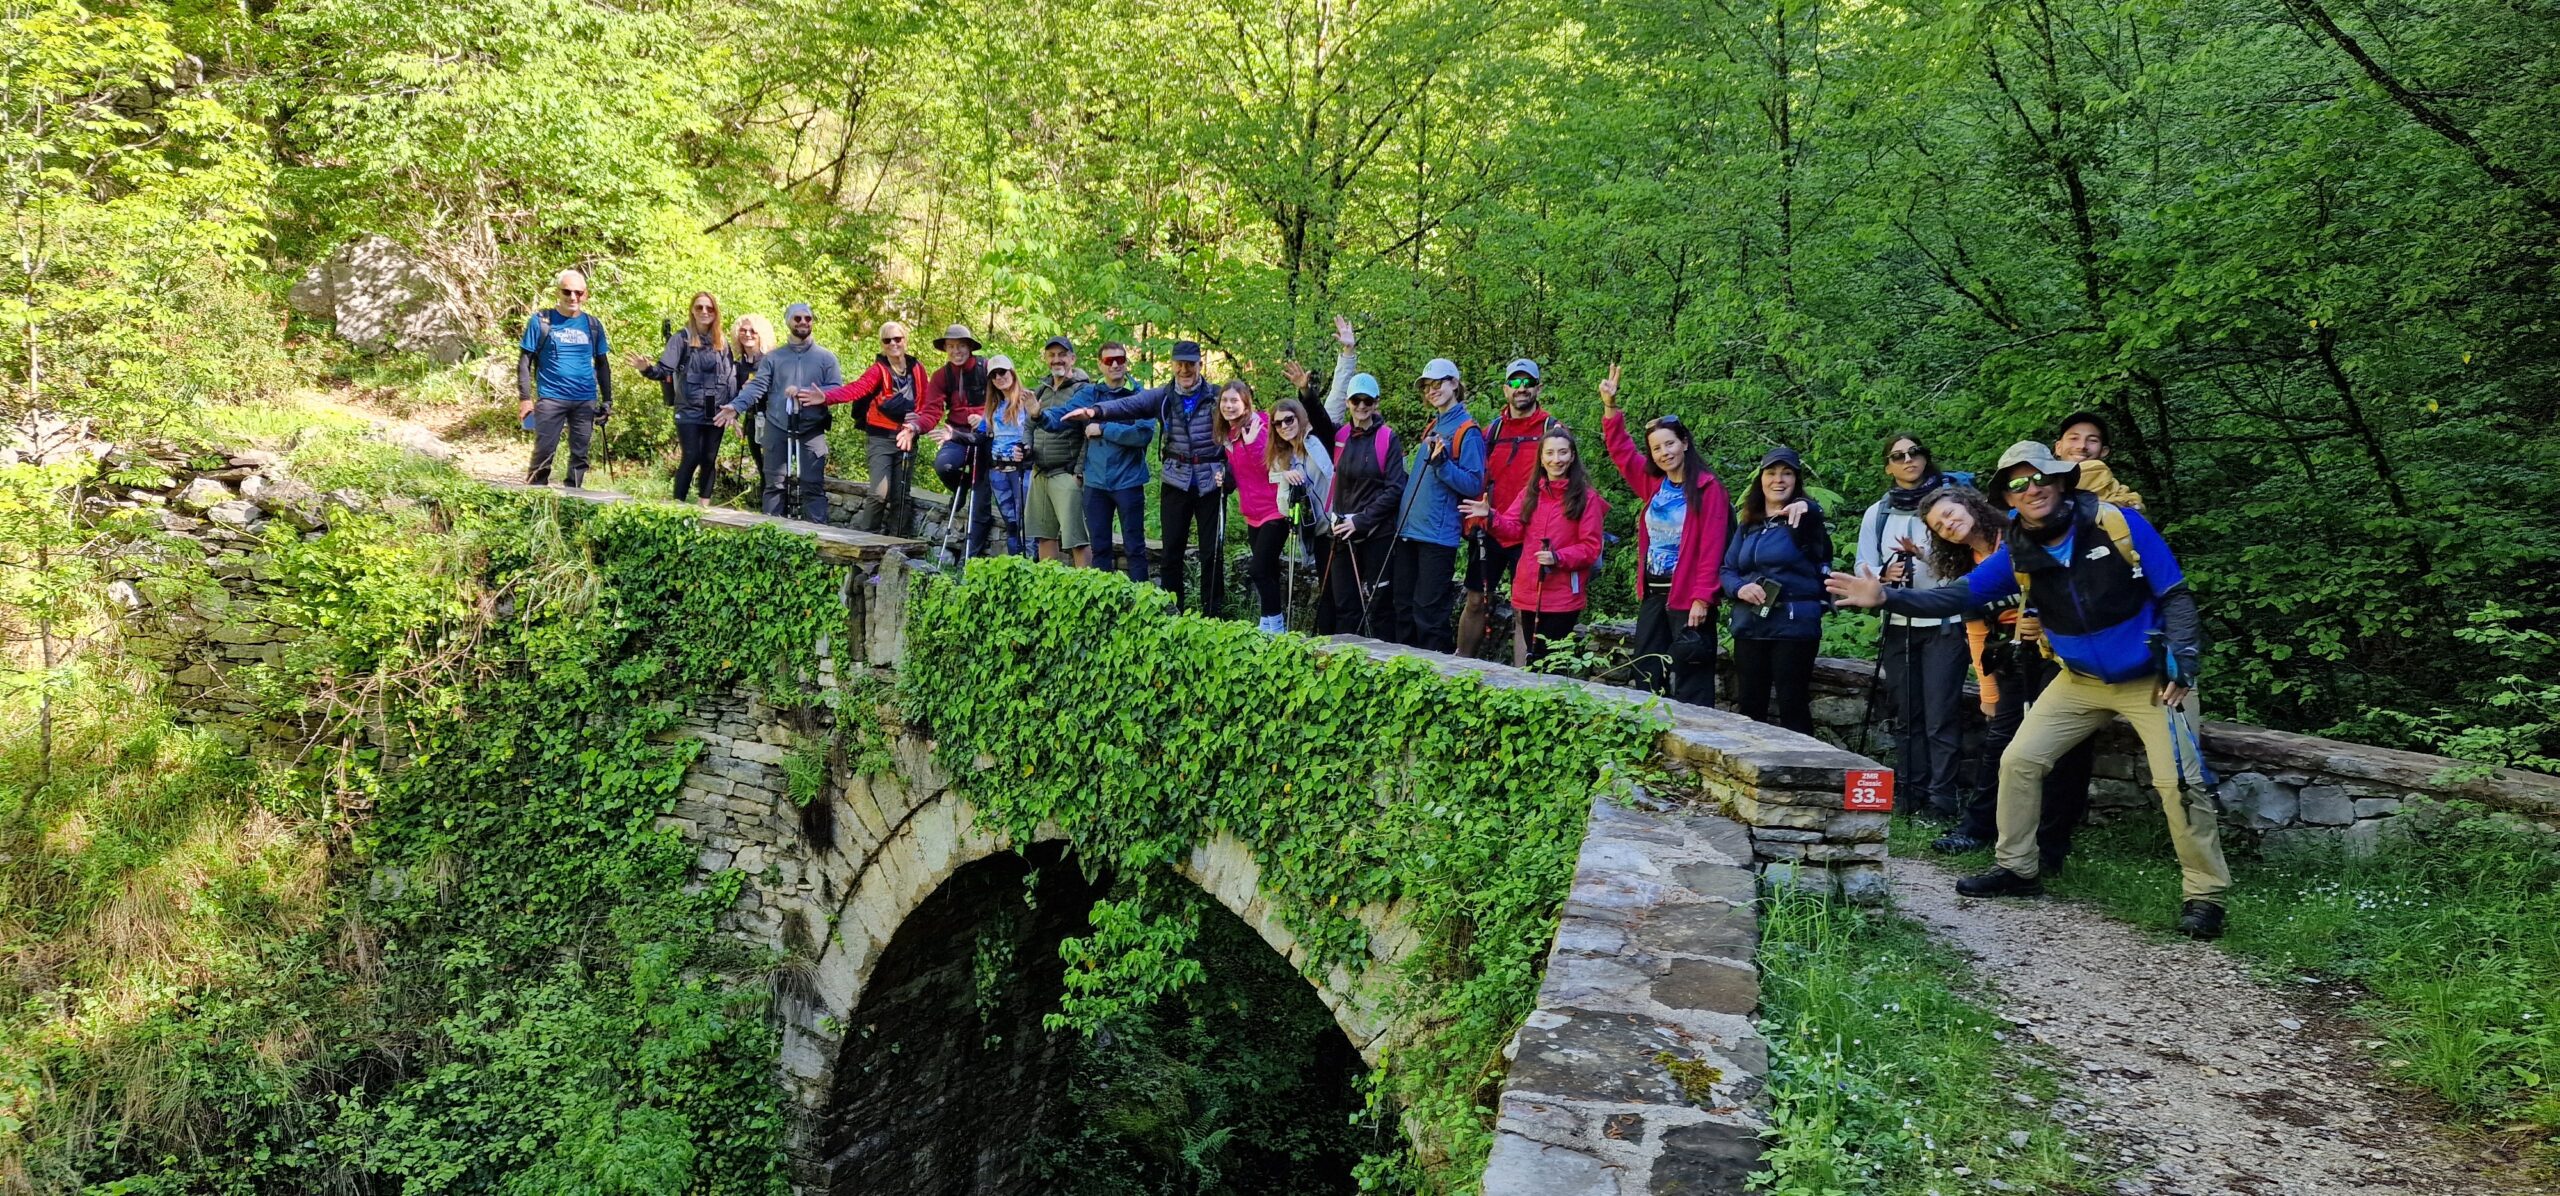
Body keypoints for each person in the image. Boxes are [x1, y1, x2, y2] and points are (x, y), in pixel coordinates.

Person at [1827, 442, 2230, 939]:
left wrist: (2183, 663)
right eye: (2017, 484)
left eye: (2039, 477)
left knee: (2179, 783)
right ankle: (2018, 868)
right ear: (2007, 499)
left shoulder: (2115, 524)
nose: (2031, 488)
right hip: (2078, 679)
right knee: (2019, 760)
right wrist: (1887, 594)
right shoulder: (2019, 548)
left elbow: (2174, 594)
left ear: (2061, 481)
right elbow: (1962, 594)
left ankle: (2204, 895)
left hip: (2153, 678)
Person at [1916, 484, 2100, 867]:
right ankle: (1978, 827)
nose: (1948, 525)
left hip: (2061, 654)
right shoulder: (1967, 566)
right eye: (1939, 526)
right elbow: (1976, 630)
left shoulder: (2021, 536)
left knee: (2067, 750)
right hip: (2012, 658)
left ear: (1970, 505)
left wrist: (2045, 624)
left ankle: (2051, 842)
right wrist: (1987, 691)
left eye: (1950, 514)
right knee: (2000, 741)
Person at [1855, 434, 1970, 819]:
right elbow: (1863, 566)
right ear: (1888, 466)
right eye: (1898, 456)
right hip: (1899, 622)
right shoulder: (1879, 512)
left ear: (1925, 457)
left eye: (1914, 453)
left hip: (1944, 624)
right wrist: (1884, 574)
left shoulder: (1950, 504)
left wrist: (1922, 555)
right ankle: (1909, 791)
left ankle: (1942, 800)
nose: (1908, 460)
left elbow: (1968, 566)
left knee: (1940, 715)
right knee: (1907, 714)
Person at [1599, 365, 1728, 705]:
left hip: (1688, 596)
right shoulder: (1654, 485)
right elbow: (1623, 454)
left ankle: (1699, 746)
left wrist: (1703, 597)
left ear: (1684, 442)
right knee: (1646, 673)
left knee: (1692, 679)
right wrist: (1611, 408)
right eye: (1657, 448)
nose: (1664, 452)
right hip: (1654, 593)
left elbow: (1713, 548)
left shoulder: (1708, 488)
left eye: (1669, 444)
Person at [1069, 340, 1227, 615]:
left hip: (1211, 481)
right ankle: (1171, 613)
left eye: (1190, 364)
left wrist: (1232, 475)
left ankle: (1212, 615)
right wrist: (1097, 411)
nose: (1184, 370)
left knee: (1211, 554)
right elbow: (1130, 405)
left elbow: (1242, 421)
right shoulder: (1163, 396)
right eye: (1179, 364)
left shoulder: (1216, 396)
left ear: (1200, 365)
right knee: (1171, 553)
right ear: (1174, 366)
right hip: (1176, 481)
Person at [1462, 429, 1606, 666]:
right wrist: (1490, 516)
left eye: (1562, 452)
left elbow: (1591, 547)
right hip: (1529, 590)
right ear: (1541, 457)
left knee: (1552, 663)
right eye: (1549, 453)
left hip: (1562, 594)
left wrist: (1558, 557)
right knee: (1534, 656)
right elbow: (1514, 529)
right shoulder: (1532, 492)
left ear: (1572, 457)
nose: (1556, 459)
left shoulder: (1586, 498)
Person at [1458, 357, 1563, 657]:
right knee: (1476, 600)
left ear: (1538, 388)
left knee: (1523, 610)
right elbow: (1479, 477)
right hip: (1490, 527)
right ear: (1505, 389)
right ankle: (1460, 665)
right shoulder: (1490, 431)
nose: (1521, 388)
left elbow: (1566, 480)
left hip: (1530, 533)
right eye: (1515, 383)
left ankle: (1523, 680)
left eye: (1528, 383)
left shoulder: (1551, 429)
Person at [1721, 447, 1831, 732]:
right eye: (1771, 473)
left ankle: (1804, 771)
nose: (1778, 480)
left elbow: (1817, 519)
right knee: (1750, 704)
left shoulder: (1804, 519)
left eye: (1787, 473)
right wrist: (1740, 588)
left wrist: (1809, 507)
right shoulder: (1749, 524)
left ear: (1796, 480)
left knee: (1792, 703)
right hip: (1750, 624)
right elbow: (1727, 570)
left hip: (1793, 626)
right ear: (1761, 478)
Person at [1386, 359, 1486, 650]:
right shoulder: (1435, 424)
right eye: (1427, 387)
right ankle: (1406, 675)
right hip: (1409, 531)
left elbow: (1473, 484)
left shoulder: (1468, 431)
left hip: (1437, 537)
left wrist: (1442, 464)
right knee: (1404, 609)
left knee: (1429, 615)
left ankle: (1437, 680)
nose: (1432, 391)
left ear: (1455, 383)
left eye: (1438, 383)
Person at [713, 302, 842, 522]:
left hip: (812, 428)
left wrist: (809, 394)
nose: (803, 322)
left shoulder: (826, 358)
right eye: (797, 318)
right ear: (788, 322)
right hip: (777, 426)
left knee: (813, 486)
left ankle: (818, 538)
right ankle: (772, 536)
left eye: (807, 319)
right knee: (774, 485)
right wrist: (736, 406)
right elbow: (757, 386)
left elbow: (837, 388)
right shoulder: (774, 358)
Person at [1049, 343, 1151, 580]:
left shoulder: (1139, 394)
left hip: (1129, 481)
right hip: (1095, 483)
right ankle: (1103, 602)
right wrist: (1038, 414)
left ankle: (1143, 602)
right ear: (1100, 364)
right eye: (1108, 361)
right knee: (1100, 547)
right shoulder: (1090, 394)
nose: (1115, 364)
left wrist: (1103, 428)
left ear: (1126, 362)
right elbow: (1063, 415)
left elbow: (1142, 434)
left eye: (1119, 359)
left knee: (1135, 547)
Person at [821, 321, 931, 535]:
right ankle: (865, 538)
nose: (893, 344)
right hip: (881, 438)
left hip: (908, 437)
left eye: (897, 339)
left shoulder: (917, 369)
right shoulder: (878, 370)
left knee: (902, 495)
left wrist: (917, 422)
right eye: (887, 340)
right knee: (879, 493)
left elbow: (927, 401)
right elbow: (857, 389)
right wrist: (825, 397)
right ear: (882, 344)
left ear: (905, 340)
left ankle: (897, 542)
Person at [1321, 373, 1404, 637]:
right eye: (1356, 400)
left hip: (1377, 532)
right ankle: (1348, 662)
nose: (1361, 406)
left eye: (1367, 400)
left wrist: (1361, 521)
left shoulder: (1387, 438)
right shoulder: (1340, 435)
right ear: (1348, 402)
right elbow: (1313, 418)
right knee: (1345, 604)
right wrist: (1306, 391)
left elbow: (1395, 488)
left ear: (1376, 403)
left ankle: (1385, 666)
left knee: (1380, 605)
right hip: (1343, 532)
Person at [633, 292, 733, 505]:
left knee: (709, 458)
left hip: (715, 409)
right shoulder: (682, 338)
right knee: (692, 455)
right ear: (692, 311)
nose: (705, 312)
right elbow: (663, 371)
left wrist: (733, 409)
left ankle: (703, 507)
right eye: (699, 307)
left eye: (709, 308)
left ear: (716, 312)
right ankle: (678, 505)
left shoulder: (722, 342)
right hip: (688, 408)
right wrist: (646, 369)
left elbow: (731, 377)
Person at [518, 269, 613, 487]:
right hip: (551, 398)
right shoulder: (541, 321)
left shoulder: (593, 325)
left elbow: (602, 364)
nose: (573, 297)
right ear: (558, 293)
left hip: (585, 399)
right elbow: (525, 362)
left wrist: (607, 400)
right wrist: (525, 398)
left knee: (580, 455)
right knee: (544, 450)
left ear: (585, 295)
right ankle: (534, 497)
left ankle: (574, 498)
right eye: (567, 291)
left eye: (578, 293)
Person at [1217, 382, 1293, 632]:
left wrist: (1250, 444)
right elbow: (1242, 473)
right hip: (1252, 514)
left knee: (1258, 570)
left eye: (1234, 401)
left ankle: (1277, 628)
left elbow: (1267, 464)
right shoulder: (1230, 434)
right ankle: (1266, 624)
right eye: (1225, 401)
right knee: (1268, 571)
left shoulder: (1259, 425)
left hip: (1275, 510)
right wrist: (1225, 478)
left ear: (1246, 403)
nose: (1229, 406)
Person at [1267, 396, 1336, 630]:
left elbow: (1333, 401)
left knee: (1341, 592)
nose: (1285, 426)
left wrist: (1347, 357)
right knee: (1327, 590)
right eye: (1278, 423)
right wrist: (1285, 479)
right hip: (1315, 532)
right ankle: (1330, 644)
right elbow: (1283, 508)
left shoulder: (1317, 441)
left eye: (1289, 419)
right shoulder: (1282, 459)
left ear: (1300, 417)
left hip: (1337, 527)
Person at [926, 324, 994, 557]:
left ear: (970, 347)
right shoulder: (941, 376)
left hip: (986, 434)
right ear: (945, 348)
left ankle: (971, 557)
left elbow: (1007, 398)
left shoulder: (987, 368)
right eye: (952, 346)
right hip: (955, 432)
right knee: (945, 466)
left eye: (961, 346)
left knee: (981, 496)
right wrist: (917, 426)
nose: (957, 351)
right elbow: (932, 409)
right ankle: (961, 486)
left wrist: (986, 418)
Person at [1025, 337, 1092, 565]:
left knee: (1077, 539)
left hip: (1066, 473)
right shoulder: (1041, 390)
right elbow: (1029, 424)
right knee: (1044, 536)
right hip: (1040, 473)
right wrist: (1025, 448)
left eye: (1062, 354)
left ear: (1072, 358)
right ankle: (1048, 590)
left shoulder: (1082, 390)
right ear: (1046, 359)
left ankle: (1086, 590)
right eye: (1051, 355)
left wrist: (1079, 472)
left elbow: (1088, 434)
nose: (1057, 360)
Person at [982, 355, 1034, 556]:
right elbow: (981, 434)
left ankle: (1030, 568)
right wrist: (954, 435)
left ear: (1012, 372)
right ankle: (1015, 565)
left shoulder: (1027, 399)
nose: (999, 377)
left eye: (1002, 372)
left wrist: (1027, 450)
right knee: (1011, 524)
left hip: (1022, 470)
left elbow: (1038, 431)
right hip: (998, 470)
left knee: (1026, 524)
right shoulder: (993, 406)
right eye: (994, 375)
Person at [2054, 410, 2144, 509]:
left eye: (2092, 440)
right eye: (2074, 438)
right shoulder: (2041, 489)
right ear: (2058, 447)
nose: (2082, 446)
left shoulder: (2124, 499)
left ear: (2103, 451)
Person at [728, 313, 774, 489]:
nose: (748, 334)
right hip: (752, 421)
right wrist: (734, 420)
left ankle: (774, 510)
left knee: (772, 468)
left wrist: (759, 388)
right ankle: (766, 509)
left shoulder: (771, 360)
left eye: (753, 331)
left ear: (761, 334)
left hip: (772, 420)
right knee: (761, 466)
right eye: (743, 330)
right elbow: (733, 394)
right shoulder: (738, 365)